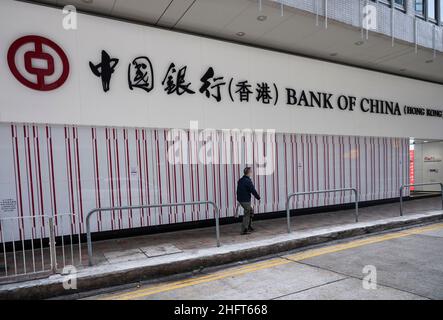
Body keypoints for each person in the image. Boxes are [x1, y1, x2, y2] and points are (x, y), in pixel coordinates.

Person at [236, 167, 260, 235]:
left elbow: (238, 190)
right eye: (251, 172)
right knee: (247, 213)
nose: (251, 173)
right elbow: (253, 190)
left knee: (250, 211)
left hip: (241, 199)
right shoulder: (248, 181)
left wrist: (238, 199)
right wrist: (258, 197)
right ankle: (244, 230)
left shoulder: (241, 180)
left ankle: (248, 226)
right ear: (249, 173)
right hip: (245, 200)